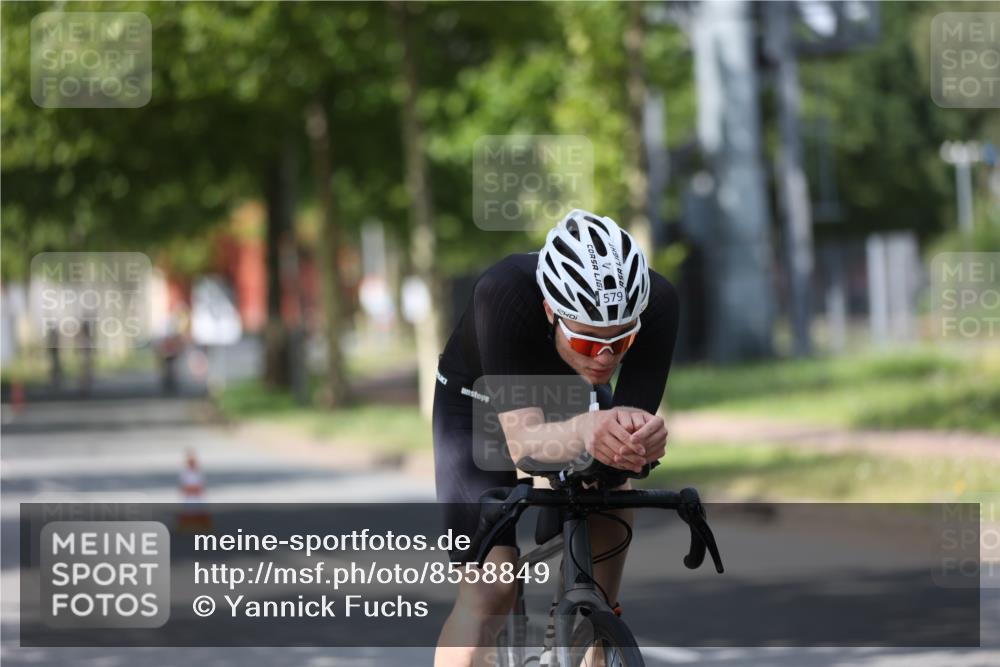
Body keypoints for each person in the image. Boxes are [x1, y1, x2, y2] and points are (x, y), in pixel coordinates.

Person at [432, 209, 680, 666]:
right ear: (551, 311)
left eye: (621, 343)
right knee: (492, 588)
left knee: (613, 486)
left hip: (570, 396)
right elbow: (524, 444)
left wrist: (639, 441)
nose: (605, 358)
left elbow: (630, 426)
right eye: (587, 343)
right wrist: (587, 428)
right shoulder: (501, 293)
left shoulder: (657, 303)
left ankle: (591, 621)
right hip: (476, 403)